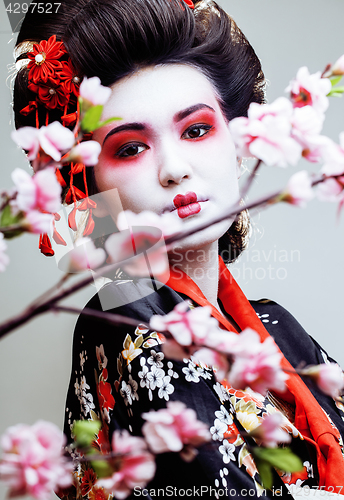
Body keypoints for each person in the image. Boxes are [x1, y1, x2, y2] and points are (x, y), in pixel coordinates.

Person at [12, 0, 344, 498]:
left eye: (196, 130)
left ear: (238, 141)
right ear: (89, 184)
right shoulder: (129, 325)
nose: (174, 168)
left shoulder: (276, 325)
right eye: (130, 148)